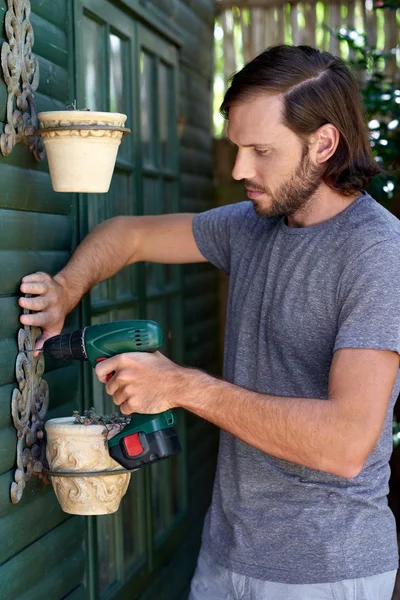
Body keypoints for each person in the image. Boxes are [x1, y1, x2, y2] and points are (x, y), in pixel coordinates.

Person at [19, 45, 400, 599]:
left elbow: (344, 444)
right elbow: (129, 234)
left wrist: (180, 386)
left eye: (261, 150)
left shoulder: (378, 254)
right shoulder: (252, 226)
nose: (240, 169)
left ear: (323, 143)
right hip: (226, 555)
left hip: (324, 570)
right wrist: (65, 290)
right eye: (237, 147)